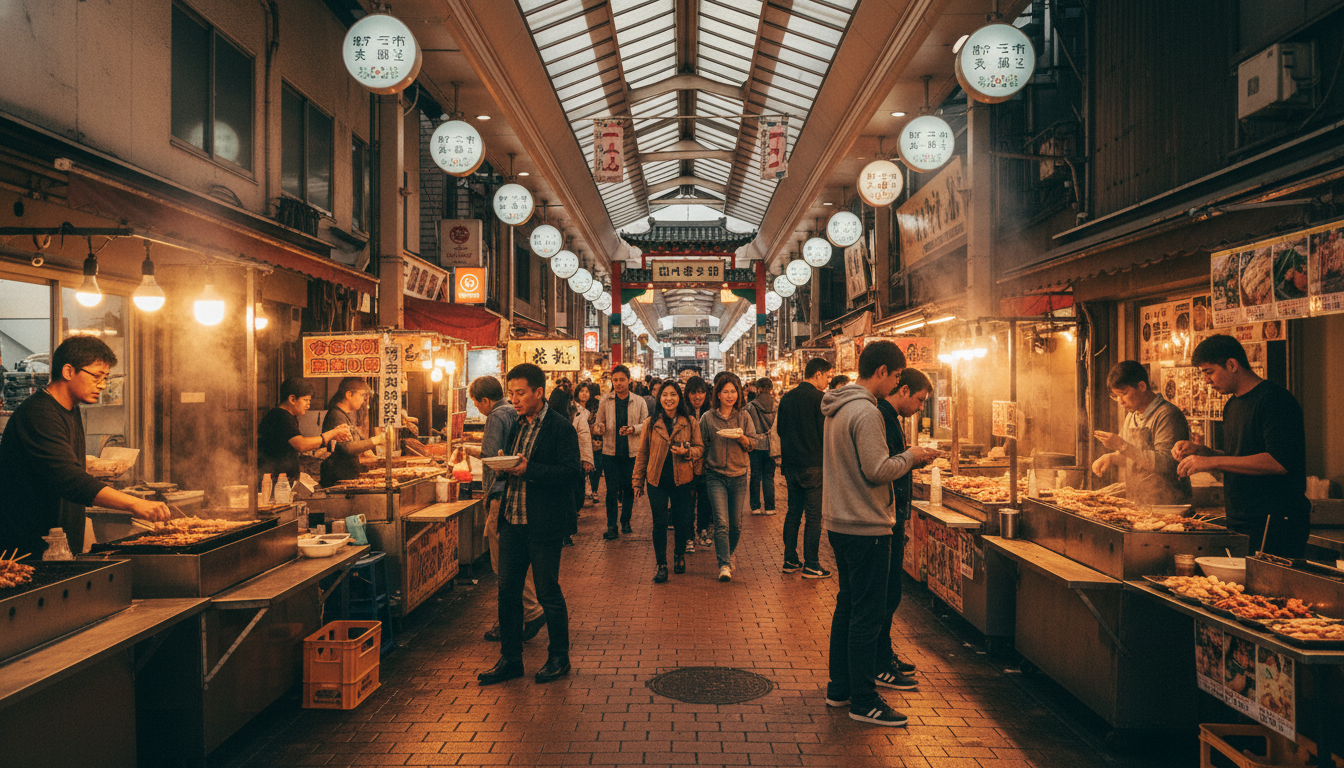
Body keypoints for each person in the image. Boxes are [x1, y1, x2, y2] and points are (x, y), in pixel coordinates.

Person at [821, 340, 939, 727]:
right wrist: (912, 457)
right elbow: (877, 469)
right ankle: (864, 699)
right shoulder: (866, 412)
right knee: (866, 615)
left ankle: (840, 688)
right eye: (897, 376)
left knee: (848, 606)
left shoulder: (836, 407)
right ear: (884, 371)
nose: (896, 384)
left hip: (840, 520)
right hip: (866, 524)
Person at [0, 335, 171, 557]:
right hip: (28, 552)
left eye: (106, 378)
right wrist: (135, 504)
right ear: (69, 371)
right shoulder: (39, 414)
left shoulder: (70, 408)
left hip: (58, 550)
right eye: (97, 376)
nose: (102, 385)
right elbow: (69, 479)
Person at [478, 363, 582, 686]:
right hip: (512, 520)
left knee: (548, 591)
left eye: (520, 393)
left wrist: (529, 469)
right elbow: (512, 461)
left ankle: (558, 657)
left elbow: (569, 473)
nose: (515, 399)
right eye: (511, 394)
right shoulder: (516, 425)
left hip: (543, 523)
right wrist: (504, 465)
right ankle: (510, 659)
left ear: (539, 392)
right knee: (507, 591)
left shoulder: (560, 428)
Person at [1174, 335, 1310, 557]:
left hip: (1275, 523)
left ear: (1232, 364)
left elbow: (1278, 462)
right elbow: (1237, 458)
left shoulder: (1274, 400)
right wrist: (1203, 452)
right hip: (1240, 519)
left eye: (1209, 372)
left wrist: (1211, 461)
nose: (1206, 381)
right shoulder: (1232, 405)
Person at [467, 376, 544, 644]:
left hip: (500, 495)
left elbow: (490, 456)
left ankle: (530, 612)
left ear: (485, 400)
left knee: (504, 564)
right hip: (518, 495)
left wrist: (467, 449)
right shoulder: (516, 413)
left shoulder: (496, 416)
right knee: (514, 561)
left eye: (477, 404)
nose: (478, 409)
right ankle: (523, 614)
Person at [875, 368, 937, 687]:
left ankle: (884, 654)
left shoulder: (890, 417)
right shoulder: (881, 416)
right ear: (901, 389)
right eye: (920, 400)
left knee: (890, 592)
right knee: (884, 595)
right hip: (885, 517)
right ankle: (879, 662)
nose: (920, 407)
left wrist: (916, 458)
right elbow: (881, 468)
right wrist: (912, 457)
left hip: (892, 514)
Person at [1090, 361, 1192, 506]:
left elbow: (1167, 463)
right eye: (1115, 396)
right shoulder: (1132, 416)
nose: (1120, 401)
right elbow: (1133, 458)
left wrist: (1121, 444)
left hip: (1167, 504)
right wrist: (1112, 458)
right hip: (1138, 502)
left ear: (1142, 386)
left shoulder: (1167, 415)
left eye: (1123, 394)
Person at [633, 381, 704, 583]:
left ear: (679, 398)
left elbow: (700, 448)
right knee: (659, 523)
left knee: (682, 521)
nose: (669, 399)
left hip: (683, 479)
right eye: (665, 395)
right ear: (659, 398)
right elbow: (643, 453)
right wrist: (638, 480)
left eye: (673, 394)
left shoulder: (690, 422)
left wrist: (687, 452)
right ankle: (661, 564)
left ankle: (679, 555)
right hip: (656, 480)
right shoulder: (650, 423)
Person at [699, 372, 762, 582]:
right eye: (725, 391)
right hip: (715, 475)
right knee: (721, 522)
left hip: (739, 475)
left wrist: (742, 438)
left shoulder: (744, 416)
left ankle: (728, 552)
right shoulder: (707, 418)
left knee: (736, 524)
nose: (729, 395)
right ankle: (724, 564)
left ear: (739, 394)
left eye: (733, 391)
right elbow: (702, 444)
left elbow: (753, 443)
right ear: (718, 394)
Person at [778, 357, 833, 578]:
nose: (828, 381)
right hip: (814, 467)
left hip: (791, 466)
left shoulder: (787, 398)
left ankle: (790, 559)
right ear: (817, 374)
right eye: (827, 376)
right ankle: (811, 564)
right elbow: (826, 434)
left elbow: (780, 429)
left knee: (793, 513)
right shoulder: (820, 399)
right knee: (812, 517)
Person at [259, 378, 350, 486]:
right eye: (306, 400)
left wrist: (333, 434)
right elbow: (301, 444)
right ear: (292, 399)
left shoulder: (288, 416)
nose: (308, 405)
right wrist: (331, 434)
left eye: (309, 400)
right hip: (274, 482)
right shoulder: (281, 416)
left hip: (281, 481)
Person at [593, 365, 648, 539]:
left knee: (628, 489)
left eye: (622, 380)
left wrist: (633, 429)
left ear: (629, 380)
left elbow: (646, 424)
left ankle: (625, 521)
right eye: (615, 380)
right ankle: (611, 525)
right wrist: (599, 427)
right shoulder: (606, 400)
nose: (618, 383)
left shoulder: (639, 401)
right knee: (611, 490)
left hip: (632, 453)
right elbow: (598, 422)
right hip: (610, 453)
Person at [318, 377, 387, 488]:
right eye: (362, 395)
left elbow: (358, 442)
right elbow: (346, 447)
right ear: (349, 395)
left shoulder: (344, 415)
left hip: (347, 476)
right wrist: (376, 440)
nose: (363, 400)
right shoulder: (336, 415)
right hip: (338, 479)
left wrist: (375, 457)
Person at [549, 387, 593, 546]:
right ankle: (564, 533)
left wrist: (586, 459)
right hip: (559, 466)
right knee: (566, 499)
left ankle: (565, 532)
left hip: (570, 464)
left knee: (572, 498)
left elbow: (584, 435)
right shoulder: (550, 418)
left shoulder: (576, 414)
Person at [684, 375, 714, 551]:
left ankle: (702, 530)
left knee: (705, 499)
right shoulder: (683, 413)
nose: (697, 396)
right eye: (694, 392)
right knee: (687, 501)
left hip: (707, 465)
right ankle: (688, 536)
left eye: (701, 392)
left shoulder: (710, 414)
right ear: (687, 394)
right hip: (687, 464)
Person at [746, 377, 778, 516]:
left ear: (758, 389)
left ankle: (755, 506)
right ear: (771, 389)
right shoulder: (777, 405)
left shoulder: (751, 406)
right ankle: (770, 507)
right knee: (769, 476)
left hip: (755, 445)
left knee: (755, 475)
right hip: (771, 445)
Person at [575, 382, 602, 505]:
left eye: (586, 391)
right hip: (579, 444)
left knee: (594, 467)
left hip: (594, 443)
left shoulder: (593, 408)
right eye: (582, 391)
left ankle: (594, 490)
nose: (584, 394)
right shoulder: (572, 409)